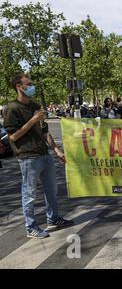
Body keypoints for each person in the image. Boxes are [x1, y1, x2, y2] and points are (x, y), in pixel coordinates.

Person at [3, 73, 73, 239]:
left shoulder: (34, 105)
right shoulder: (11, 108)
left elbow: (44, 130)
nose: (32, 86)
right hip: (28, 156)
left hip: (44, 154)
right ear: (19, 87)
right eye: (29, 84)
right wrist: (32, 121)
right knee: (29, 193)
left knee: (52, 189)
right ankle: (31, 226)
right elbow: (13, 136)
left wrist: (56, 150)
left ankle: (53, 218)